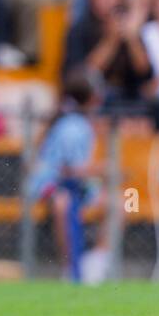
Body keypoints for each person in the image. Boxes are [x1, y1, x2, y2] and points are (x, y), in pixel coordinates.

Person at [26, 72, 102, 282]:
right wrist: (103, 171)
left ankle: (97, 262)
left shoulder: (83, 123)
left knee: (117, 203)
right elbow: (67, 169)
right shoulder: (72, 126)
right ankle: (70, 268)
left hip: (79, 186)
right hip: (54, 184)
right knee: (63, 203)